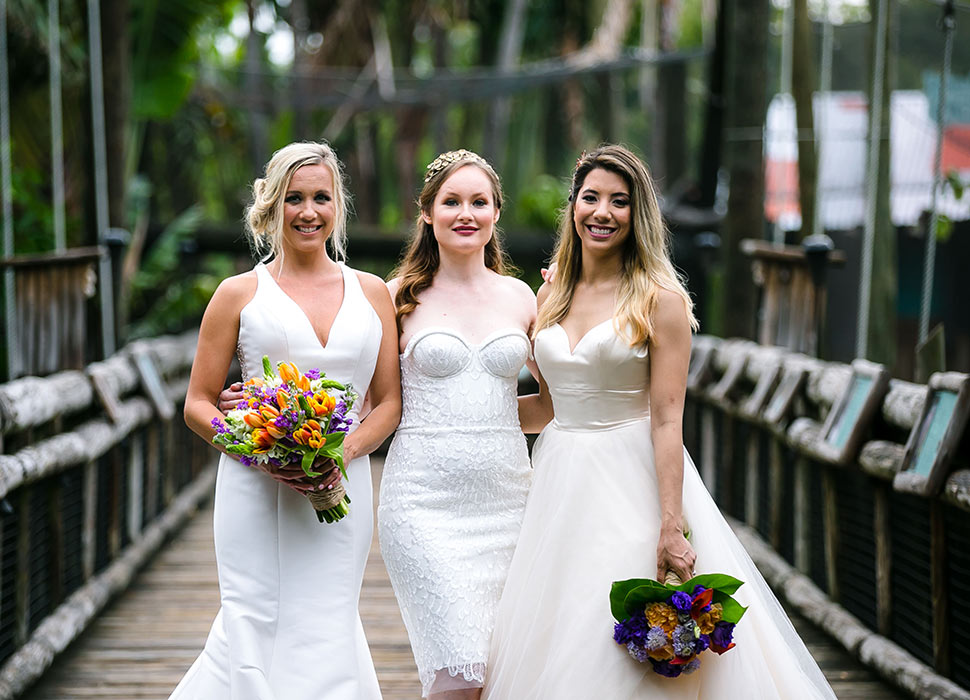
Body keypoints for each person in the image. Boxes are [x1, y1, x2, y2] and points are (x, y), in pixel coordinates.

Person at [483, 144, 837, 699]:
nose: (602, 212)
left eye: (619, 202)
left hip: (631, 476)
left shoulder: (660, 300)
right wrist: (462, 419)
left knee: (619, 639)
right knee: (561, 628)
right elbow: (550, 406)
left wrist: (672, 524)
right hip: (558, 482)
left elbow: (669, 417)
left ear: (637, 215)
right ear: (572, 206)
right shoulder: (548, 294)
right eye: (591, 197)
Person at [170, 142, 401, 700]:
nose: (308, 211)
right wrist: (263, 453)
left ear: (337, 206)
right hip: (255, 489)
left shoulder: (372, 293)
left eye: (321, 197)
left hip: (340, 485)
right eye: (294, 198)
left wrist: (336, 456)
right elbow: (198, 403)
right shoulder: (238, 294)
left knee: (328, 617)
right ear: (271, 206)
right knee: (252, 616)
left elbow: (389, 402)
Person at [378, 149, 537, 699]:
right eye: (451, 201)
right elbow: (370, 396)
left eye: (479, 201)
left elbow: (555, 401)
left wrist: (489, 423)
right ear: (427, 213)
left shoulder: (523, 297)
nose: (465, 213)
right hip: (424, 503)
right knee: (455, 678)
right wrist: (268, 404)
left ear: (496, 213)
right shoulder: (395, 295)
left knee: (499, 674)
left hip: (510, 503)